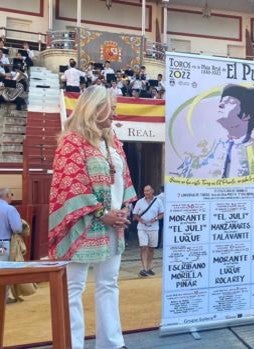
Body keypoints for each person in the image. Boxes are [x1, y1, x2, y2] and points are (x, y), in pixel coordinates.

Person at [48, 85, 136, 349]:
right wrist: (101, 213)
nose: (115, 115)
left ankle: (111, 343)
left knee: (108, 283)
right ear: (95, 107)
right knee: (74, 288)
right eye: (112, 108)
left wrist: (124, 209)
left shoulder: (113, 142)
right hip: (81, 224)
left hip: (113, 225)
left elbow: (124, 179)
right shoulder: (72, 141)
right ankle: (72, 344)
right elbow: (70, 184)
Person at [175, 84, 254, 178]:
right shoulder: (208, 147)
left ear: (246, 115)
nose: (220, 104)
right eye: (222, 101)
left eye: (230, 102)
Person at [132, 184, 164, 276]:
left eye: (148, 190)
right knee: (143, 247)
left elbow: (162, 213)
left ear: (152, 191)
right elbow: (134, 215)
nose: (146, 192)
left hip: (154, 228)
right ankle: (144, 268)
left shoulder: (158, 201)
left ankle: (149, 267)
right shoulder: (140, 202)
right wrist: (139, 219)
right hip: (142, 228)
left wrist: (156, 219)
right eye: (145, 191)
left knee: (151, 248)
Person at [0, 187, 22, 304]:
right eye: (11, 195)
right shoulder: (9, 209)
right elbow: (17, 228)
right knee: (3, 269)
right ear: (8, 195)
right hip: (2, 245)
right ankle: (3, 297)